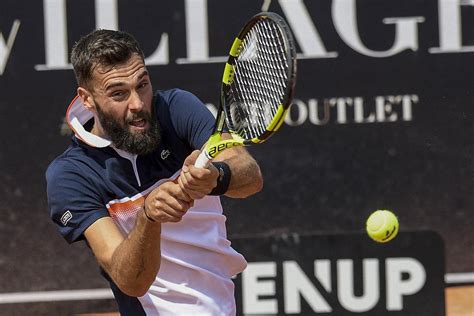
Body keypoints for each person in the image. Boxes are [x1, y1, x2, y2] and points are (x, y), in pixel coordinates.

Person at [46, 29, 263, 315]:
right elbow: (130, 282)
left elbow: (250, 176)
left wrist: (216, 177)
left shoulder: (177, 109)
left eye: (142, 85)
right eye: (118, 93)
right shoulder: (71, 174)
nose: (137, 103)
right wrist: (148, 217)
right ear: (87, 99)